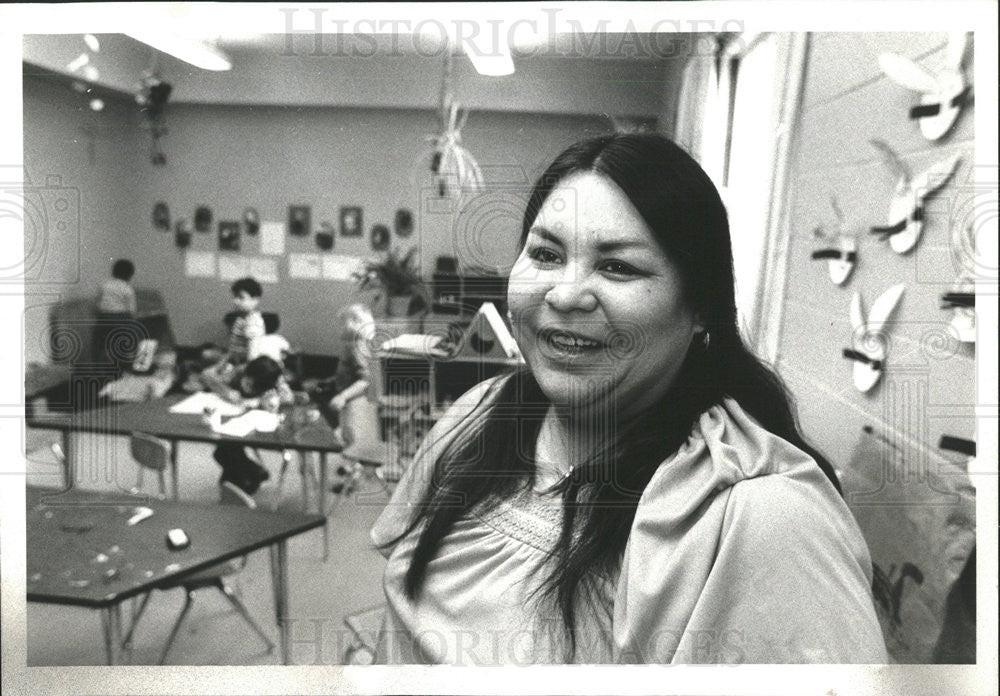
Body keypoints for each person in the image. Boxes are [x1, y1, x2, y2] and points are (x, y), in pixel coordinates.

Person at [370, 134, 888, 664]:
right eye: (546, 254)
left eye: (618, 267)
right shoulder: (480, 412)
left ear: (702, 307)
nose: (566, 294)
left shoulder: (758, 516)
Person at [202, 355, 293, 494]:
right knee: (223, 451)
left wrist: (275, 398)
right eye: (247, 383)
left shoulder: (275, 381)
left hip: (259, 428)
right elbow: (207, 375)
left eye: (253, 387)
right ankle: (252, 473)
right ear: (246, 373)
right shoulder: (239, 370)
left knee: (223, 452)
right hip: (232, 419)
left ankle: (242, 480)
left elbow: (289, 399)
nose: (247, 388)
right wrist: (226, 391)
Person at [94, 258, 138, 375]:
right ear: (129, 275)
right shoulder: (127, 288)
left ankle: (101, 370)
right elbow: (132, 309)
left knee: (102, 345)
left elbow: (97, 303)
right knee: (125, 345)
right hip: (122, 318)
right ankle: (124, 370)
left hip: (104, 318)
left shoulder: (105, 285)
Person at [225, 277, 266, 365]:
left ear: (255, 300)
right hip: (234, 360)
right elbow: (233, 348)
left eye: (241, 297)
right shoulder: (241, 318)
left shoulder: (254, 322)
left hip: (243, 365)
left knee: (207, 376)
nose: (235, 301)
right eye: (235, 296)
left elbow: (253, 356)